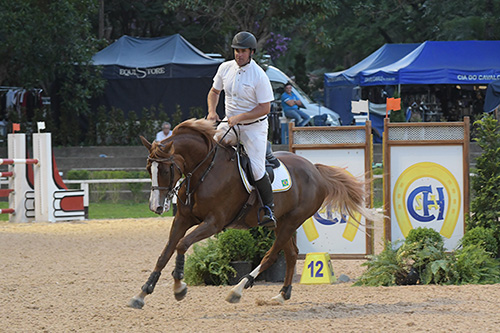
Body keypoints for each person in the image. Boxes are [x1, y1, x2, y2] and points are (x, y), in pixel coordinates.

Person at [207, 31, 277, 227]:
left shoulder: (259, 76)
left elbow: (265, 108)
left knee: (256, 170)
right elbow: (214, 91)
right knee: (209, 151)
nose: (239, 54)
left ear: (251, 52)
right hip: (230, 124)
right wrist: (212, 111)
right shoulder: (225, 68)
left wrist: (240, 117)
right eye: (237, 50)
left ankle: (268, 210)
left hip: (254, 128)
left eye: (243, 51)